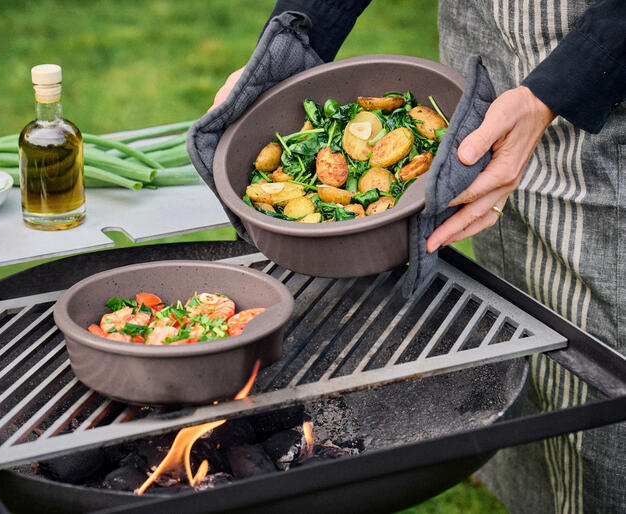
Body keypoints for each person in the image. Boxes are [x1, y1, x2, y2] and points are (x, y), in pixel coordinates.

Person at [210, 1, 626, 512]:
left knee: (602, 348)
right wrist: (295, 38)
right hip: (489, 28)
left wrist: (561, 87)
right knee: (518, 293)